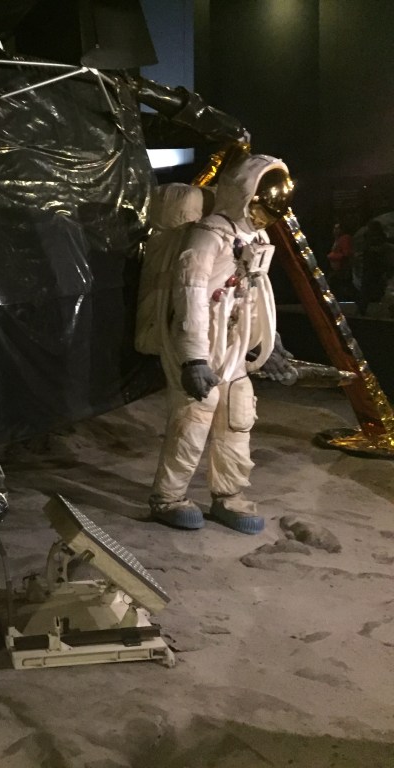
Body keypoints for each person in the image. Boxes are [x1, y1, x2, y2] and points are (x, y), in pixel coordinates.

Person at [147, 152, 296, 535]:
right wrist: (194, 359)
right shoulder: (207, 236)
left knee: (237, 412)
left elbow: (256, 293)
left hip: (232, 343)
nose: (268, 214)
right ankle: (169, 497)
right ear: (245, 194)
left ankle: (228, 495)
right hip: (193, 341)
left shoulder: (253, 237)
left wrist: (268, 341)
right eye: (264, 204)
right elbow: (190, 295)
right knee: (195, 414)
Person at [356, 220, 394, 316]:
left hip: (375, 267)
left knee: (369, 289)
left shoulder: (371, 238)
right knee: (371, 289)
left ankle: (363, 308)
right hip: (374, 267)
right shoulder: (372, 237)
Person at [325, 222, 356, 301]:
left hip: (341, 268)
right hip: (336, 268)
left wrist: (332, 256)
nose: (335, 230)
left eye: (337, 228)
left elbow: (346, 254)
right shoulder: (337, 240)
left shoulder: (345, 238)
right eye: (334, 228)